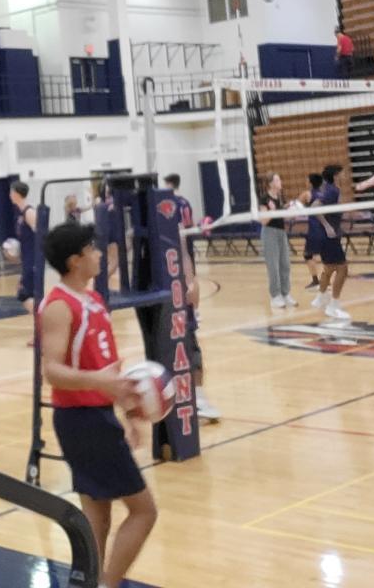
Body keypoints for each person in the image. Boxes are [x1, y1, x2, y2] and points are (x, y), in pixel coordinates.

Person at [39, 223, 157, 588]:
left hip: (98, 416)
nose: (99, 254)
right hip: (81, 420)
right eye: (91, 248)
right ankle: (106, 584)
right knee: (144, 511)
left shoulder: (94, 301)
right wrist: (99, 384)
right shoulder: (59, 306)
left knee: (97, 515)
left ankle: (89, 583)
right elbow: (51, 371)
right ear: (75, 261)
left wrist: (127, 411)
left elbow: (108, 371)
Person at [162, 174, 220, 420]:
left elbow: (184, 246)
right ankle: (174, 398)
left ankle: (199, 399)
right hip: (163, 288)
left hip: (179, 284)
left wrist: (190, 281)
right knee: (171, 348)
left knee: (191, 346)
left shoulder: (175, 209)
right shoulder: (176, 206)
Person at [311, 165, 351, 320]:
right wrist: (327, 226)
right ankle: (334, 306)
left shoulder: (329, 189)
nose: (344, 175)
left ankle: (321, 297)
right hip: (328, 236)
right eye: (342, 173)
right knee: (342, 269)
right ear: (335, 176)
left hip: (325, 235)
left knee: (328, 268)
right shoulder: (332, 191)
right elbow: (315, 207)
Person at [260, 174, 296, 309]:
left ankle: (285, 294)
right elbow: (263, 221)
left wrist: (291, 211)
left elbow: (282, 217)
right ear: (270, 184)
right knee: (273, 266)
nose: (280, 181)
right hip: (269, 233)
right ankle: (275, 296)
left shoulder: (281, 197)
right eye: (277, 180)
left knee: (285, 264)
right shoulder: (264, 199)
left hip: (281, 232)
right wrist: (272, 210)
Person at [11, 180, 40, 314]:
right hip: (26, 260)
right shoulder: (20, 214)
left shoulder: (29, 212)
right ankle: (41, 321)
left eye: (11, 192)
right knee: (25, 294)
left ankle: (44, 320)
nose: (10, 195)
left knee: (24, 294)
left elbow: (40, 237)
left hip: (33, 261)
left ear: (16, 193)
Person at [299, 172, 324, 289]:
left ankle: (316, 281)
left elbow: (296, 205)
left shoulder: (307, 194)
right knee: (325, 255)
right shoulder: (324, 194)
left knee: (308, 255)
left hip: (315, 228)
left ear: (310, 182)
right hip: (326, 228)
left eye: (307, 179)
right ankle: (326, 279)